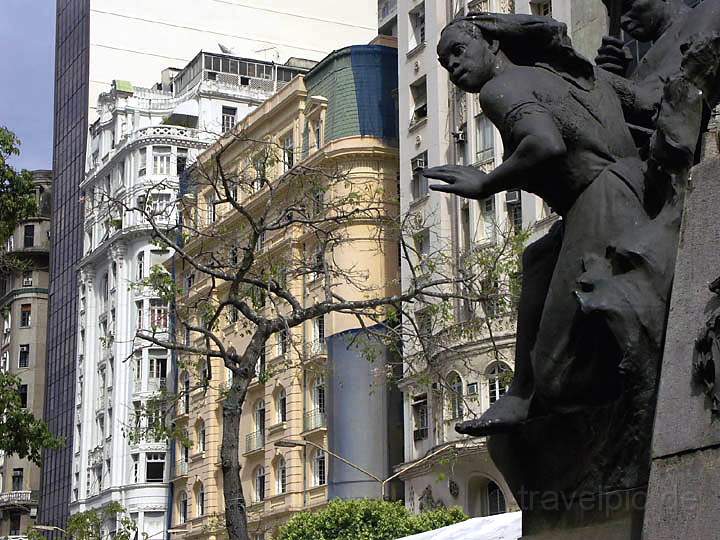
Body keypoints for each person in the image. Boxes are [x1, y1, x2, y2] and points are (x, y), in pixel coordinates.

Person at [424, 13, 651, 435]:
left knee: (557, 372)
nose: (452, 66)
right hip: (630, 187)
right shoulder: (573, 75)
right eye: (443, 63)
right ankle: (519, 392)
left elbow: (545, 142)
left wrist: (486, 183)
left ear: (492, 44)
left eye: (458, 51)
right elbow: (649, 103)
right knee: (537, 256)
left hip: (602, 201)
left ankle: (561, 398)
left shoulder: (500, 88)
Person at [596, 0, 720, 137]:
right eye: (612, 15)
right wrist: (612, 77)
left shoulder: (709, 10)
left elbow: (669, 103)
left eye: (626, 6)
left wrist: (604, 81)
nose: (622, 21)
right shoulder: (638, 70)